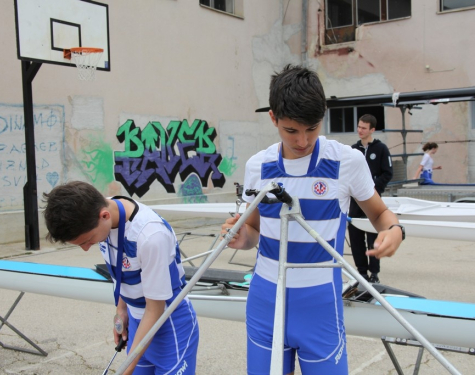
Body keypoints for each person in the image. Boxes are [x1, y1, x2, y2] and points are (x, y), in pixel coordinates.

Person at [221, 65, 404, 375]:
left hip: (319, 303)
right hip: (266, 299)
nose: (303, 141)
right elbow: (252, 229)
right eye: (291, 130)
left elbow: (380, 214)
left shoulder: (346, 161)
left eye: (313, 128)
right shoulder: (258, 166)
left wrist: (394, 230)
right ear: (273, 118)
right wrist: (241, 237)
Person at [43, 181, 199, 375]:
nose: (85, 248)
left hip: (169, 324)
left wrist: (126, 368)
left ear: (104, 216)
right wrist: (121, 311)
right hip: (138, 321)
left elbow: (156, 307)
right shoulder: (100, 211)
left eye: (87, 240)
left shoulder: (150, 235)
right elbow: (121, 271)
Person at [347, 114, 393, 284]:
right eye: (359, 127)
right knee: (356, 238)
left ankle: (374, 273)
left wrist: (372, 190)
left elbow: (388, 173)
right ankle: (361, 273)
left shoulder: (381, 149)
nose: (360, 130)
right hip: (354, 203)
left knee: (373, 237)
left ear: (372, 130)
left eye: (364, 128)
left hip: (372, 201)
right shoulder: (353, 150)